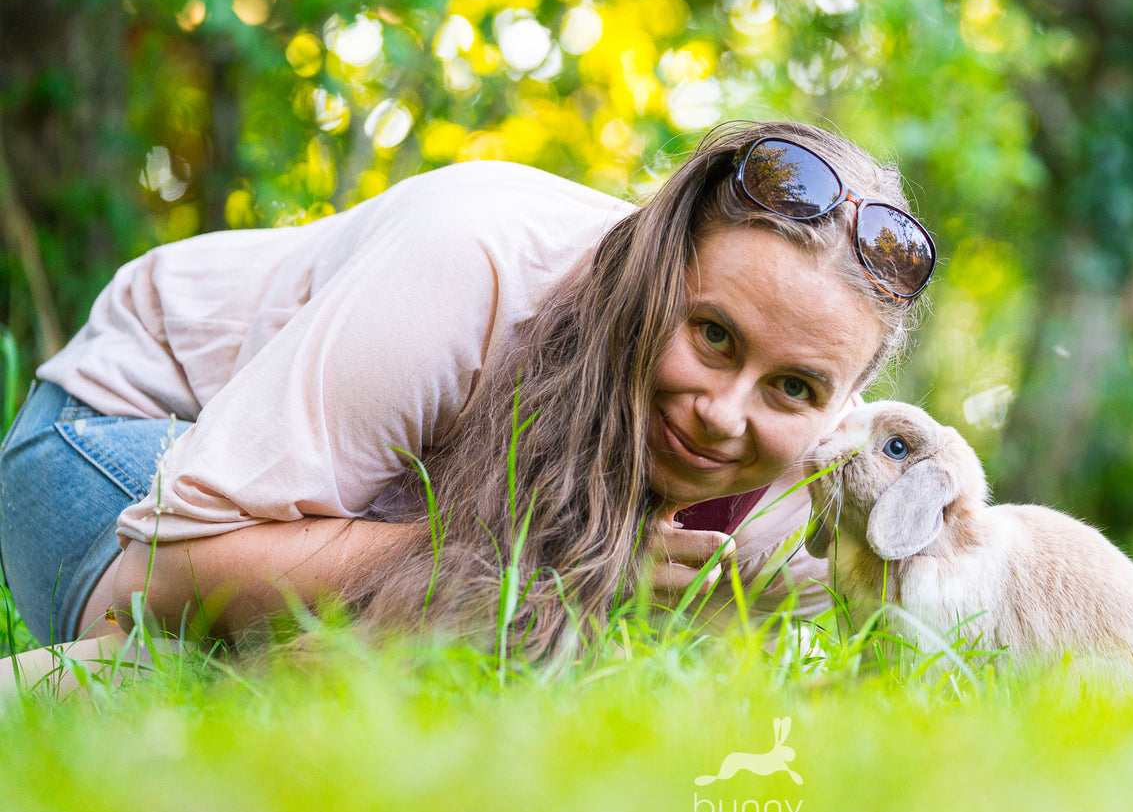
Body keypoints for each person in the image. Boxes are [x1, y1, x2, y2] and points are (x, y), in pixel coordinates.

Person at [0, 120, 935, 678]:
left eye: (795, 388)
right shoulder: (475, 253)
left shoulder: (819, 501)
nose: (725, 414)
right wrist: (542, 568)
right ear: (657, 268)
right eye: (713, 335)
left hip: (340, 522)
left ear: (844, 406)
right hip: (114, 453)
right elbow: (163, 583)